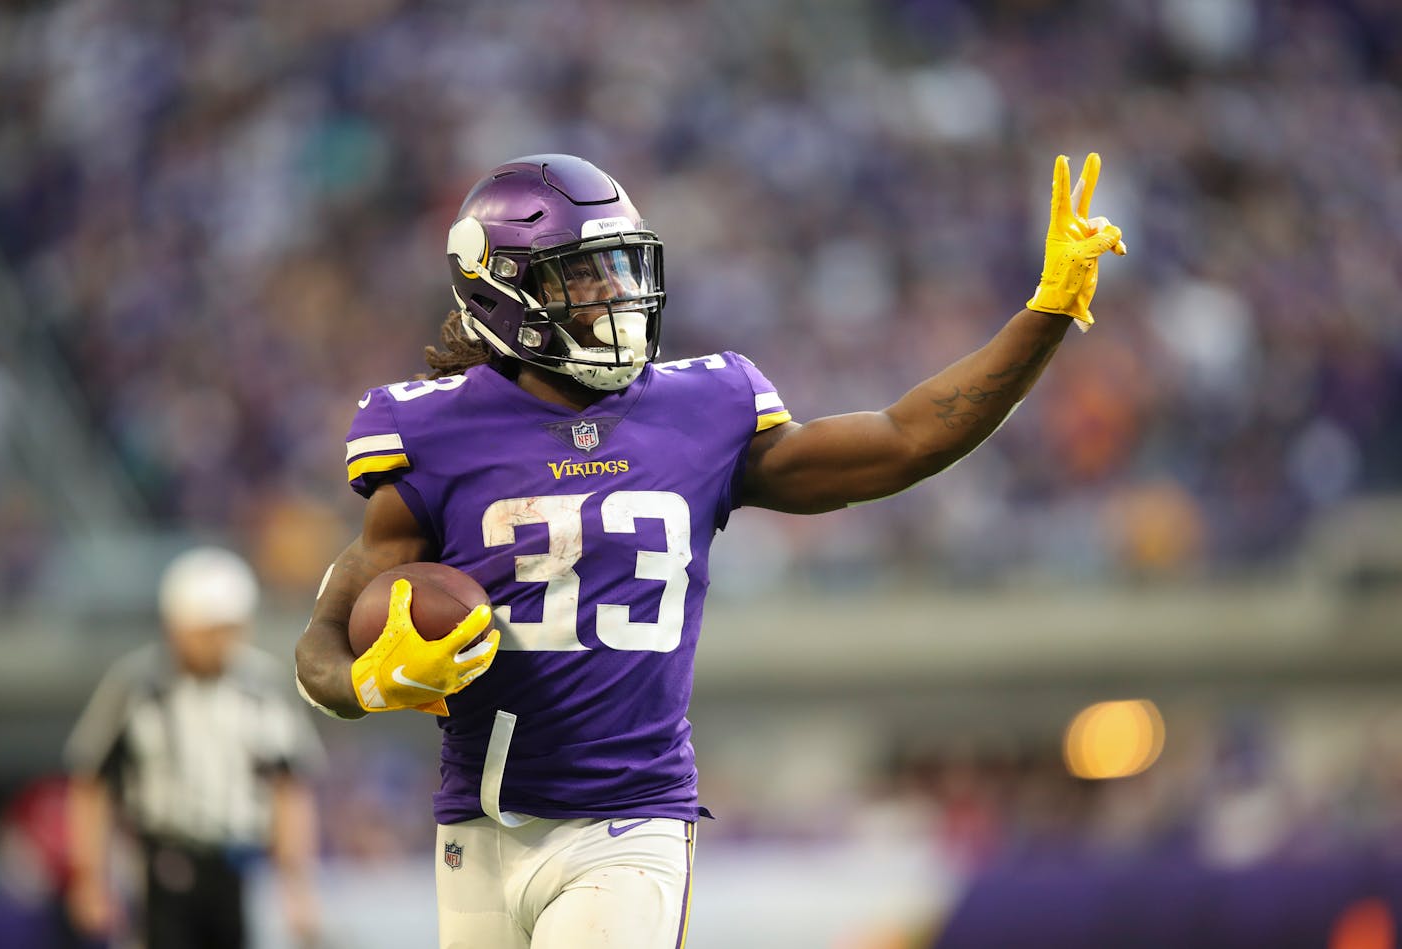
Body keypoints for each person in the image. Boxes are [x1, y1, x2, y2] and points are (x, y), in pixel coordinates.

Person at [294, 152, 1126, 948]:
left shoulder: (705, 404)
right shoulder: (433, 430)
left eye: (618, 268)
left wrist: (1045, 314)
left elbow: (903, 440)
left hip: (627, 820)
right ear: (500, 290)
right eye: (580, 274)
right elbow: (321, 645)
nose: (611, 295)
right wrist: (366, 682)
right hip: (472, 828)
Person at [66, 545, 325, 949]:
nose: (219, 643)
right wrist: (90, 877)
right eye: (207, 630)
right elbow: (92, 785)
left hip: (240, 866)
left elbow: (289, 788)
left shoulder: (263, 687)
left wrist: (297, 884)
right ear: (177, 625)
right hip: (159, 864)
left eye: (228, 628)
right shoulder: (135, 685)